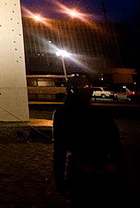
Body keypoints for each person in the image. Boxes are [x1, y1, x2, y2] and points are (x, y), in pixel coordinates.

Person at [52, 74, 126, 206]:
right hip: (104, 169)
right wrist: (121, 174)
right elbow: (116, 147)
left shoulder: (63, 113)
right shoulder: (102, 113)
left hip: (79, 170)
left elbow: (59, 149)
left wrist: (59, 178)